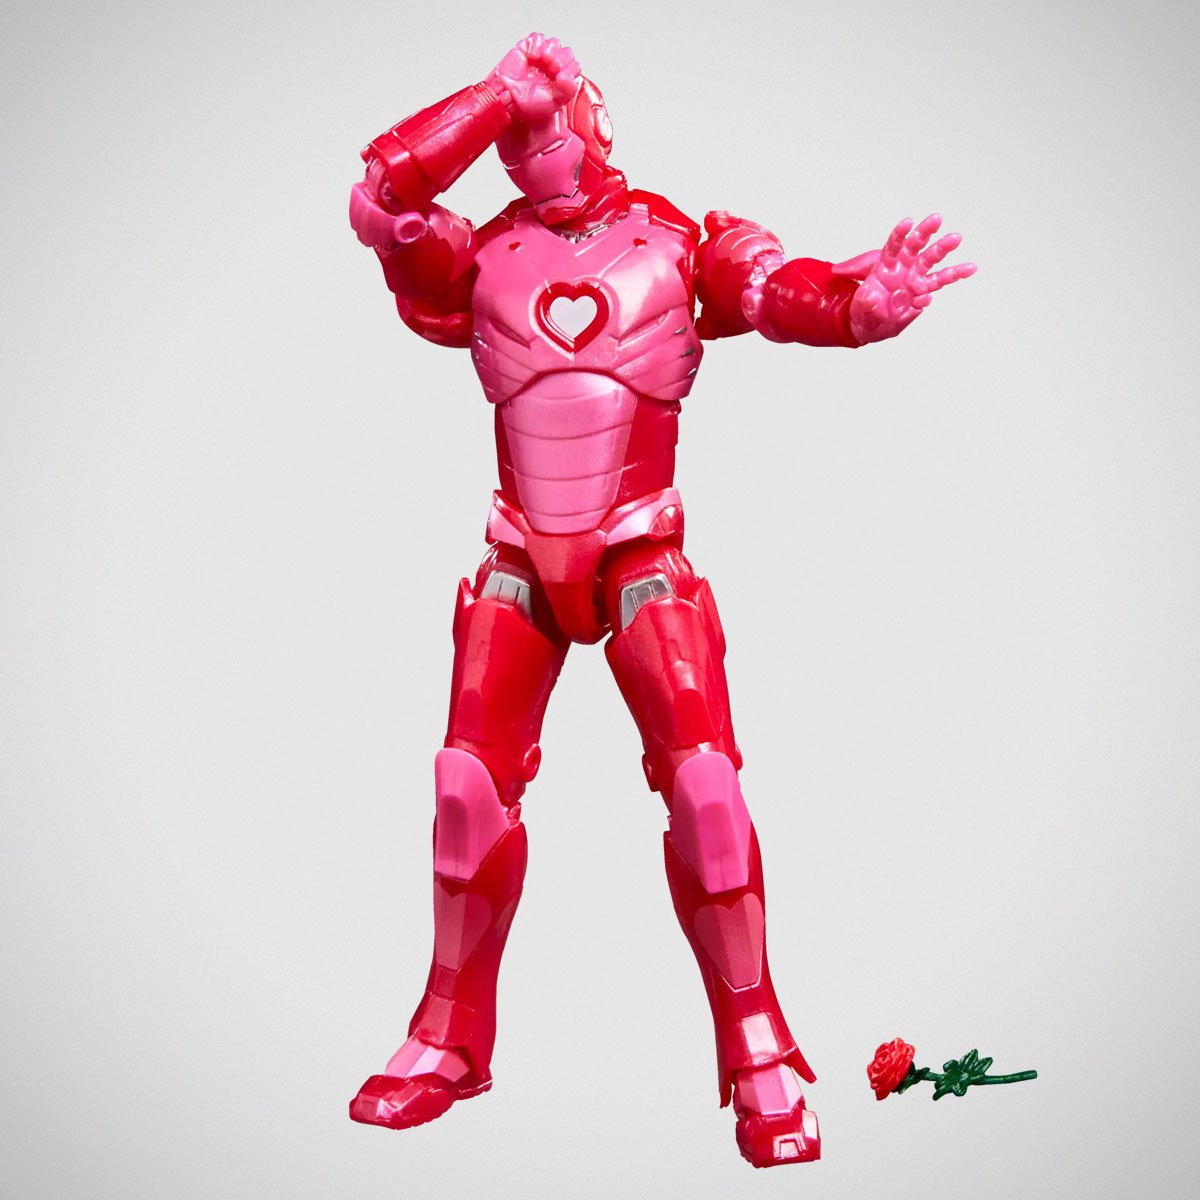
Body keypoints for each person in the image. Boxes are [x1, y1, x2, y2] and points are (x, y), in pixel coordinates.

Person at [346, 32, 973, 1168]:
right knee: (464, 794)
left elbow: (774, 290)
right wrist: (493, 92)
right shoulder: (483, 254)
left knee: (708, 794)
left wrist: (861, 304)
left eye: (551, 113)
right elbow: (383, 198)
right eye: (516, 128)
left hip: (641, 556)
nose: (534, 137)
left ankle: (758, 1049)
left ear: (595, 121)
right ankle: (447, 1037)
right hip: (520, 555)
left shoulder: (675, 239)